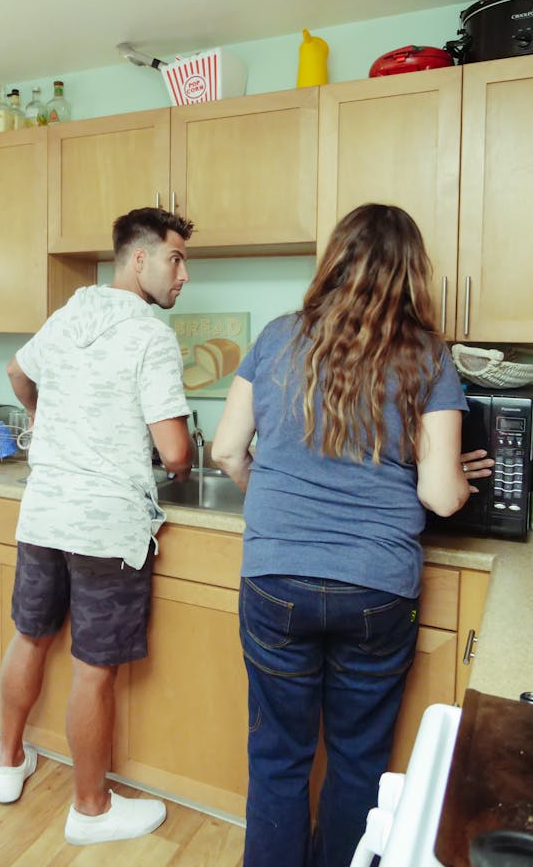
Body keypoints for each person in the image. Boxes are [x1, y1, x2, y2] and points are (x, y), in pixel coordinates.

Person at [211, 204, 494, 867]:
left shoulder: (278, 337)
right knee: (357, 760)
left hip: (275, 581)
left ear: (333, 261)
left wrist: (278, 509)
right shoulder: (426, 355)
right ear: (412, 276)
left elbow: (227, 450)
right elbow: (438, 496)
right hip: (376, 589)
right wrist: (457, 474)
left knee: (278, 759)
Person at [0, 206, 195, 847]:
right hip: (107, 526)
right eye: (176, 258)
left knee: (30, 637)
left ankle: (8, 763)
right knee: (92, 669)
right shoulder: (151, 337)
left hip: (45, 508)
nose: (183, 275)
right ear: (140, 259)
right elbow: (177, 454)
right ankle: (91, 808)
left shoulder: (69, 312)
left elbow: (16, 372)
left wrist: (46, 416)